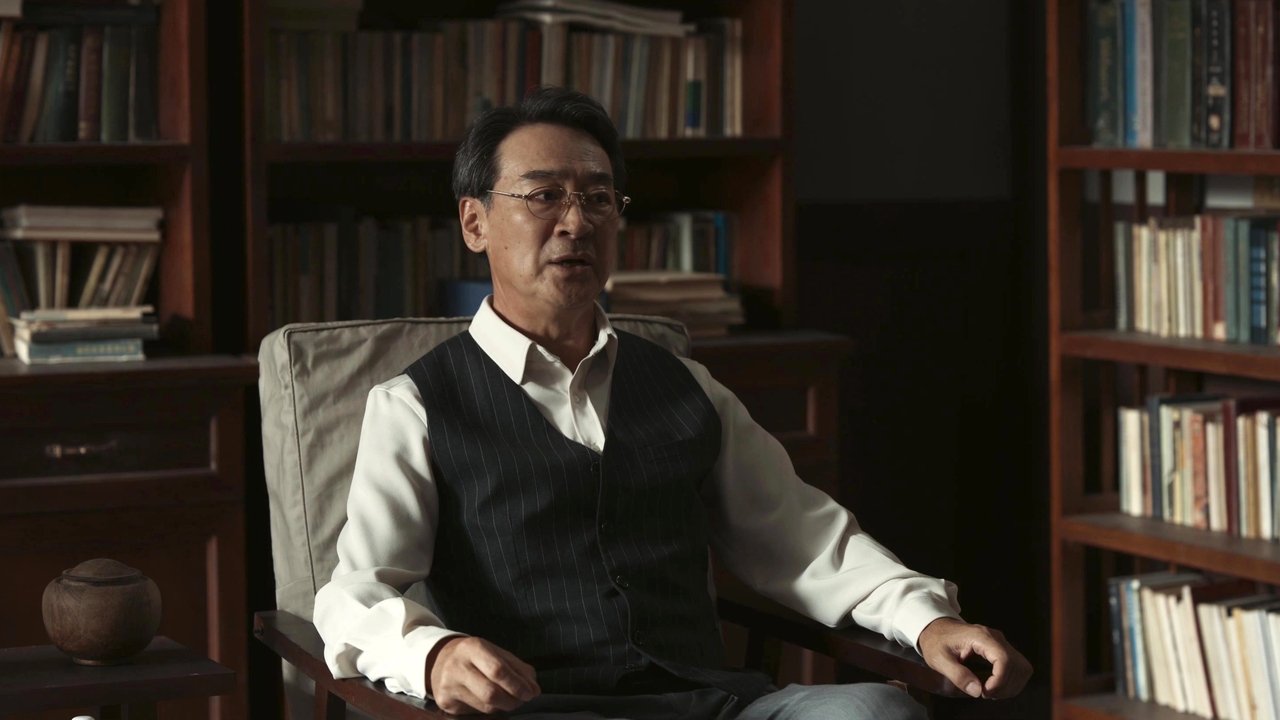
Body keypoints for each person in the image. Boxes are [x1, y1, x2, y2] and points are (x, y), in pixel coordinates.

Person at [313, 86, 1032, 720]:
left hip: (711, 704)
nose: (575, 222)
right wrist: (431, 656)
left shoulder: (686, 387)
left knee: (875, 710)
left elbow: (807, 541)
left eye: (598, 198)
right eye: (543, 196)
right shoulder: (415, 406)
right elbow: (355, 595)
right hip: (544, 711)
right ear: (475, 223)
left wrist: (926, 622)